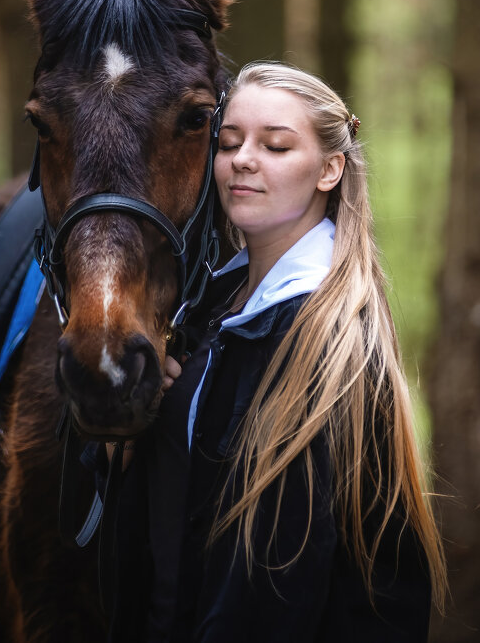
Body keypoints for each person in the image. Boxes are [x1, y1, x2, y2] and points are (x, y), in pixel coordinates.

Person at [113, 62, 446, 643]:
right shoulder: (211, 308)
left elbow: (274, 585)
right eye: (229, 142)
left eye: (276, 145)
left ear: (329, 170)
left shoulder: (321, 339)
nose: (243, 160)